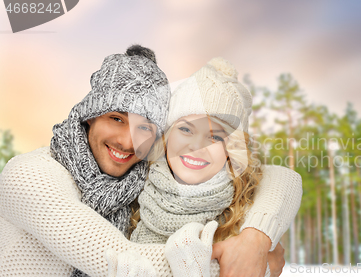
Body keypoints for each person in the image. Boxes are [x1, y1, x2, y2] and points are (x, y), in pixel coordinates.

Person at [0, 46, 302, 277]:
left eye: (144, 126)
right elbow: (122, 261)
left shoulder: (134, 181)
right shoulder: (30, 174)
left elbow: (281, 178)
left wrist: (256, 238)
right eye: (116, 118)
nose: (128, 141)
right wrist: (250, 263)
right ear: (89, 116)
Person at [127, 57, 302, 277]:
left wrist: (255, 241)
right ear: (167, 137)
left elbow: (285, 177)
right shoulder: (133, 191)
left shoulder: (244, 213)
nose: (196, 147)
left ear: (231, 150)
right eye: (186, 130)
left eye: (214, 136)